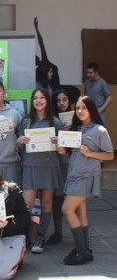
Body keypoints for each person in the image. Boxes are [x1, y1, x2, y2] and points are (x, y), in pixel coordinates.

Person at [58, 96, 114, 265]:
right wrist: (62, 150)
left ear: (91, 109)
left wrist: (91, 153)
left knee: (67, 209)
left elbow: (110, 155)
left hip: (87, 176)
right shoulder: (75, 129)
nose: (80, 111)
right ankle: (84, 248)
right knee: (80, 211)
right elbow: (72, 152)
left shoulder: (99, 131)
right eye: (78, 108)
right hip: (73, 174)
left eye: (84, 108)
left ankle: (82, 250)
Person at [15, 87, 62, 253]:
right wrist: (19, 141)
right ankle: (27, 236)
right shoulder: (26, 121)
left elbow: (62, 149)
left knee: (47, 203)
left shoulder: (55, 122)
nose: (39, 101)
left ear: (47, 101)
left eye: (42, 97)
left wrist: (59, 143)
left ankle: (41, 237)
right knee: (26, 205)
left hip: (49, 166)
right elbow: (19, 144)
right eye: (36, 98)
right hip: (30, 165)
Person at [49, 87, 75, 245]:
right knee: (57, 199)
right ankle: (58, 232)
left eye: (64, 100)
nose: (61, 103)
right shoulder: (52, 119)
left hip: (72, 163)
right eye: (58, 100)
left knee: (74, 200)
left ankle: (79, 233)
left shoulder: (77, 117)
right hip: (56, 162)